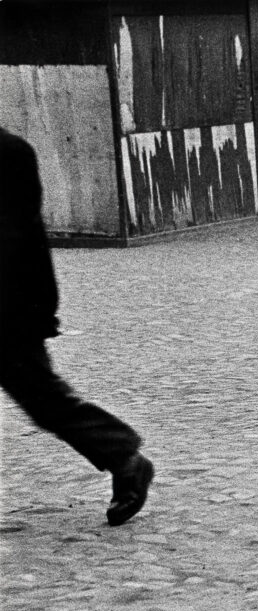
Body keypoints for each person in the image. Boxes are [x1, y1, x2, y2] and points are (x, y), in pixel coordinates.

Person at [0, 127, 153, 526]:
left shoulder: (9, 153)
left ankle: (125, 457)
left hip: (9, 306)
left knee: (43, 399)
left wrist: (34, 310)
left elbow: (18, 238)